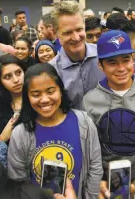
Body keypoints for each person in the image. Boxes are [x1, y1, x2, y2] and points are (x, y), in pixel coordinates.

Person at [82, 30, 135, 197]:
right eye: (112, 62)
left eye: (126, 60)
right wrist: (98, 179)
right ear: (101, 65)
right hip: (108, 185)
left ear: (132, 61)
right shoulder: (89, 101)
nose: (121, 68)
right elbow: (91, 148)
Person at [7, 63, 103, 198]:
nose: (45, 99)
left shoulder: (84, 122)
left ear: (61, 91)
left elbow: (95, 167)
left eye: (51, 91)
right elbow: (18, 181)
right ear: (27, 97)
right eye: (36, 94)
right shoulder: (20, 134)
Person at [49, 0, 105, 109]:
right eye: (68, 32)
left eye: (79, 29)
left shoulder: (104, 55)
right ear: (55, 33)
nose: (76, 37)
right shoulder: (52, 71)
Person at [0, 54, 25, 142]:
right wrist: (3, 137)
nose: (16, 80)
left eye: (18, 73)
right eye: (7, 77)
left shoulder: (37, 98)